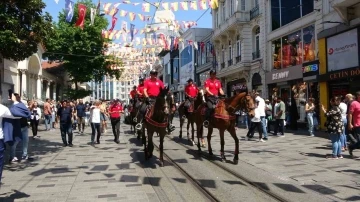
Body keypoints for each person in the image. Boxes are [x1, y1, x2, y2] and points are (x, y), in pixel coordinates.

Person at [9, 93, 31, 162]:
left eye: (19, 97)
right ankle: (12, 156)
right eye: (17, 98)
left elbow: (27, 113)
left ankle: (25, 155)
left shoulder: (21, 105)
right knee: (15, 142)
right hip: (17, 127)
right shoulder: (13, 106)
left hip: (24, 126)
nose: (19, 99)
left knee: (25, 141)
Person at [348, 91, 360, 157]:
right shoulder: (354, 103)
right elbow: (350, 114)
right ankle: (351, 147)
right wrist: (350, 123)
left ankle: (351, 147)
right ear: (358, 96)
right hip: (358, 125)